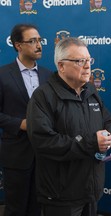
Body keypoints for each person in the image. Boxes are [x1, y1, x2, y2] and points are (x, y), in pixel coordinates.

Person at [26, 37, 111, 216]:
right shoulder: (43, 97)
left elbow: (107, 121)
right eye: (80, 61)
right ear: (61, 65)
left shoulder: (90, 91)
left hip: (91, 190)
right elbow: (43, 142)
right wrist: (90, 143)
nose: (87, 66)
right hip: (61, 195)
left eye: (89, 60)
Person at [0, 23, 52, 216]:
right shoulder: (3, 75)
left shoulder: (49, 75)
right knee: (16, 208)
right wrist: (19, 124)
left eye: (39, 40)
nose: (38, 45)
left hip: (45, 155)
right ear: (18, 45)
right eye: (32, 41)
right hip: (16, 155)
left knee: (37, 209)